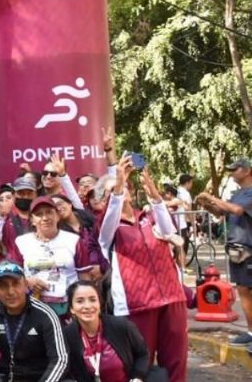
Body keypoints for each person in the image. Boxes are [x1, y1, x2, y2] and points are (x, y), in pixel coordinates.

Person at [99, 157, 186, 381]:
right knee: (139, 365)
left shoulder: (149, 216)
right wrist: (117, 185)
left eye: (123, 185)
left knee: (177, 361)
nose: (121, 189)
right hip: (137, 304)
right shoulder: (108, 228)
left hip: (172, 296)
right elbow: (110, 218)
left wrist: (156, 196)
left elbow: (169, 230)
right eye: (112, 190)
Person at [0, 261, 67, 382]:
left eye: (16, 284)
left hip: (42, 376)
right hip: (6, 377)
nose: (11, 291)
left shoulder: (45, 314)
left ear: (25, 284)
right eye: (3, 285)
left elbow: (60, 359)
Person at [196, 157, 252, 351]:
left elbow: (236, 211)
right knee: (243, 290)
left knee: (248, 290)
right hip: (238, 249)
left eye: (235, 169)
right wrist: (207, 204)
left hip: (249, 247)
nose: (231, 173)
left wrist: (212, 198)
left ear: (246, 171)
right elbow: (222, 212)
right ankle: (251, 332)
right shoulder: (237, 194)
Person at [15, 196, 95, 317]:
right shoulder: (21, 242)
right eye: (39, 214)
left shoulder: (74, 241)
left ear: (57, 216)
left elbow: (85, 278)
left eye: (49, 212)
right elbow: (14, 274)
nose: (45, 218)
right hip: (32, 308)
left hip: (68, 310)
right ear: (32, 220)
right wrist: (27, 281)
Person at [63, 281, 150, 382]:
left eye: (92, 300)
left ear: (100, 304)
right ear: (71, 308)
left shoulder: (121, 326)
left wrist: (138, 377)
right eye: (80, 301)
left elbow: (143, 354)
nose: (87, 306)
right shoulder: (67, 336)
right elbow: (65, 371)